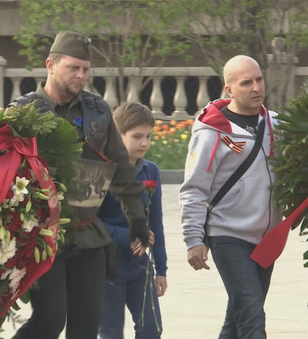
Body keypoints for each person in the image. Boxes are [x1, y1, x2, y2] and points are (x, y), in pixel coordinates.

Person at [9, 31, 150, 339]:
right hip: (44, 237)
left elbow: (121, 169)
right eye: (73, 68)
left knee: (87, 326)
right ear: (50, 65)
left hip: (88, 235)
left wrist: (136, 218)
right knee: (49, 320)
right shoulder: (24, 112)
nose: (81, 75)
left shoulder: (97, 110)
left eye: (85, 69)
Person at [179, 55, 281, 339]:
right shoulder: (212, 131)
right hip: (227, 236)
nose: (256, 87)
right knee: (252, 316)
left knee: (237, 321)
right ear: (229, 89)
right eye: (246, 83)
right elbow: (194, 188)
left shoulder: (275, 124)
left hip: (267, 240)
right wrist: (193, 239)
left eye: (258, 79)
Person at [98, 102, 167, 339]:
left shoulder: (151, 171)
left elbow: (156, 222)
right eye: (137, 136)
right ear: (118, 136)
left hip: (140, 266)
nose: (144, 143)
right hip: (108, 266)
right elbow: (91, 222)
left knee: (152, 329)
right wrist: (124, 235)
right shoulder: (102, 171)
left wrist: (161, 268)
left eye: (148, 136)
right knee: (111, 332)